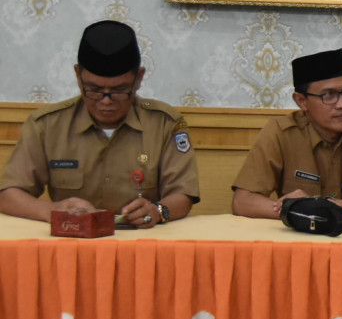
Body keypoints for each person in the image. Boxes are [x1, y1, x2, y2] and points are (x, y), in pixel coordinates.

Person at [0, 21, 199, 227]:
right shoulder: (47, 125)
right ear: (78, 76)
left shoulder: (165, 124)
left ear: (138, 79)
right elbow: (8, 194)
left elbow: (183, 194)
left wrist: (157, 211)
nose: (105, 101)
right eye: (94, 90)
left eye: (119, 90)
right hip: (71, 240)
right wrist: (50, 210)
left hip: (141, 242)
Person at [231, 49, 342, 220]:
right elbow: (243, 201)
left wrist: (320, 207)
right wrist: (294, 210)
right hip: (300, 238)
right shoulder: (281, 132)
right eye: (329, 95)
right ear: (302, 101)